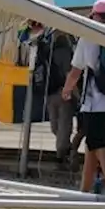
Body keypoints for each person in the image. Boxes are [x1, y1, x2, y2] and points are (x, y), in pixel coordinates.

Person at [59, 0, 105, 201]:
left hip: (94, 100)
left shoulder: (89, 36)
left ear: (94, 14)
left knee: (99, 144)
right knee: (92, 145)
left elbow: (76, 70)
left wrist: (67, 90)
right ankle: (84, 192)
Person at [38, 26, 77, 169]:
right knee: (62, 127)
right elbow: (69, 72)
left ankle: (61, 155)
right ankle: (67, 150)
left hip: (53, 92)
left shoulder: (48, 49)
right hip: (61, 92)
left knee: (57, 127)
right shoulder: (64, 50)